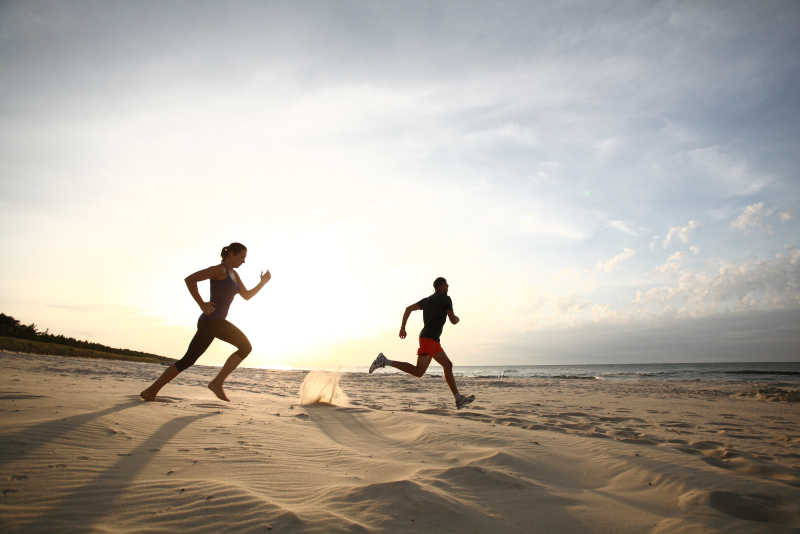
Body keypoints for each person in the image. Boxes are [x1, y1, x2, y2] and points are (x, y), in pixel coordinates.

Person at [140, 242, 270, 402]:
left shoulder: (235, 275)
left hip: (216, 323)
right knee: (241, 347)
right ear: (231, 254)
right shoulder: (219, 270)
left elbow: (247, 295)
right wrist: (202, 304)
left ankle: (152, 391)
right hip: (210, 322)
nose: (243, 261)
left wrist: (262, 283)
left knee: (190, 359)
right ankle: (216, 383)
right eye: (241, 257)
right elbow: (190, 279)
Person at [369, 277, 474, 409]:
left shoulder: (427, 300)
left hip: (430, 339)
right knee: (429, 369)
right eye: (446, 285)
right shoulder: (446, 299)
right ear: (441, 286)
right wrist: (457, 318)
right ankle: (385, 361)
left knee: (437, 368)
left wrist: (403, 327)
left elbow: (408, 309)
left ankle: (458, 399)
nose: (448, 287)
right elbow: (453, 320)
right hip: (429, 340)